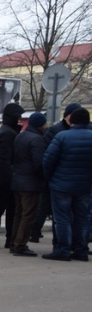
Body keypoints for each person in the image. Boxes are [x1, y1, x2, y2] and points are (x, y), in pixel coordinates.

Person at [41, 107, 92, 261]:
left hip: (61, 185)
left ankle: (63, 249)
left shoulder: (62, 136)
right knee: (82, 218)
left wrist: (49, 178)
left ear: (72, 121)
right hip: (84, 186)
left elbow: (48, 160)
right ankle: (81, 250)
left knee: (62, 218)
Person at [32, 102, 83, 243]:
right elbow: (47, 155)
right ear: (67, 116)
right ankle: (38, 233)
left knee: (68, 214)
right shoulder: (56, 131)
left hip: (70, 180)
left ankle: (68, 244)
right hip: (57, 179)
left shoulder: (65, 132)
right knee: (51, 210)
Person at [10, 112, 48, 257]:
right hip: (30, 183)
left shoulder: (20, 136)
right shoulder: (37, 140)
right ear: (40, 125)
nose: (45, 126)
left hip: (17, 180)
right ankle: (20, 245)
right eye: (44, 124)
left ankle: (14, 242)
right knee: (28, 215)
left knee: (19, 213)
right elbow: (39, 164)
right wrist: (43, 177)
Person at [0, 102, 24, 250]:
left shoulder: (8, 131)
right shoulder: (8, 133)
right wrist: (10, 178)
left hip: (7, 176)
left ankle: (7, 238)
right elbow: (4, 159)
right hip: (5, 178)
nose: (20, 119)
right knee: (3, 208)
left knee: (8, 208)